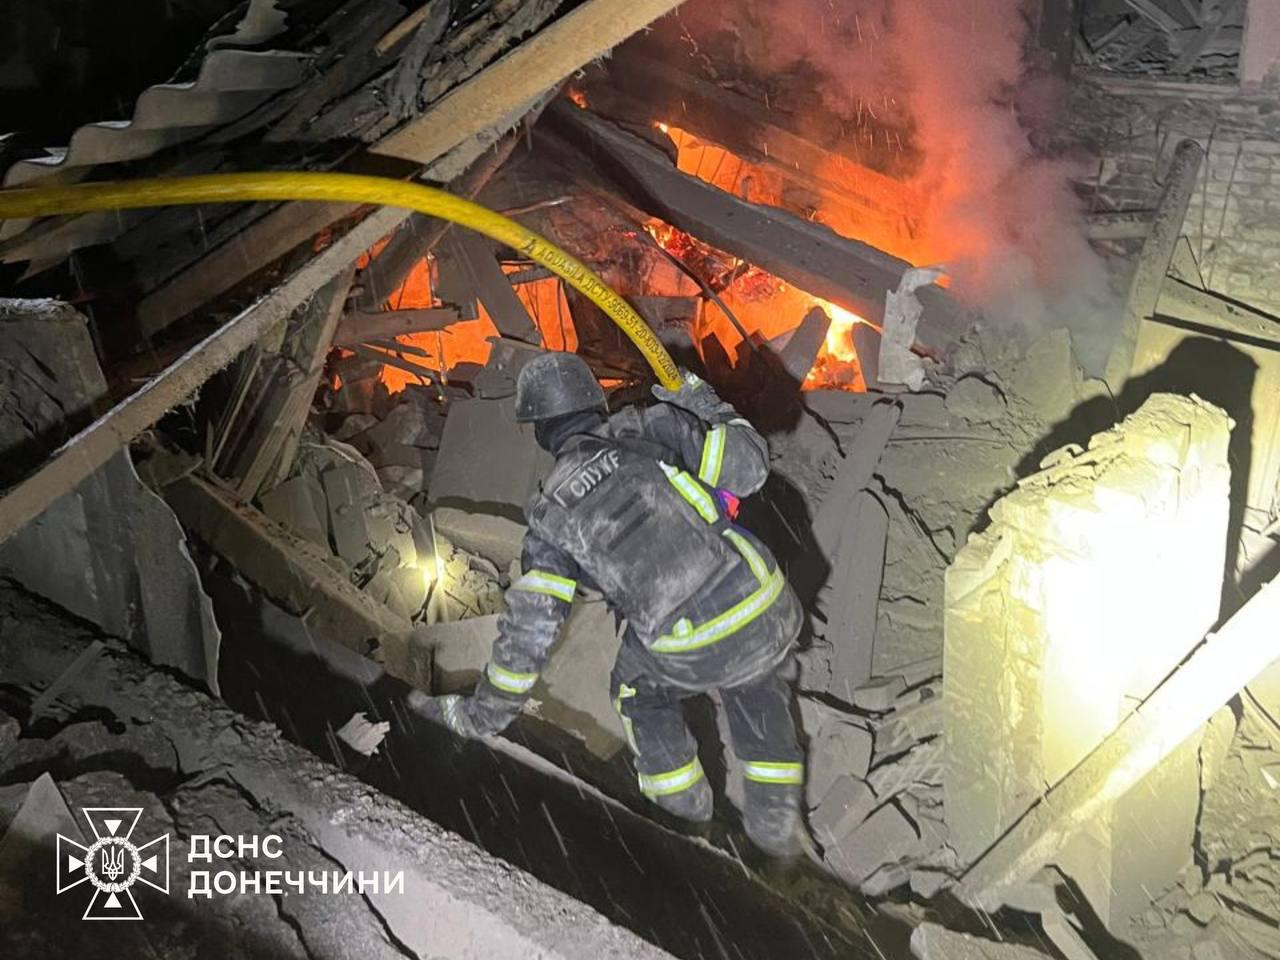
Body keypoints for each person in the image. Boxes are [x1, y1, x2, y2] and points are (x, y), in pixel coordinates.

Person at [430, 352, 807, 856]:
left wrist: (481, 715)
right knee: (757, 686)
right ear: (595, 400)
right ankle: (777, 838)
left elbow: (530, 634)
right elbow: (750, 468)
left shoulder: (550, 514)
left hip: (688, 642)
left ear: (539, 430)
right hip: (763, 605)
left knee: (638, 692)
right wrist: (701, 400)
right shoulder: (653, 426)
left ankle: (687, 826)